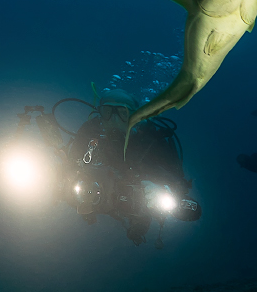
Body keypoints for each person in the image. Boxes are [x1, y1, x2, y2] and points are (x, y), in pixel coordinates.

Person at [54, 88, 201, 245]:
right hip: (91, 206)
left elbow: (189, 205)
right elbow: (68, 167)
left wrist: (165, 190)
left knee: (139, 223)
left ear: (135, 116)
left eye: (122, 113)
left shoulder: (153, 141)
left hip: (134, 210)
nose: (114, 119)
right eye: (107, 112)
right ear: (100, 114)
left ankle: (137, 224)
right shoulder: (89, 132)